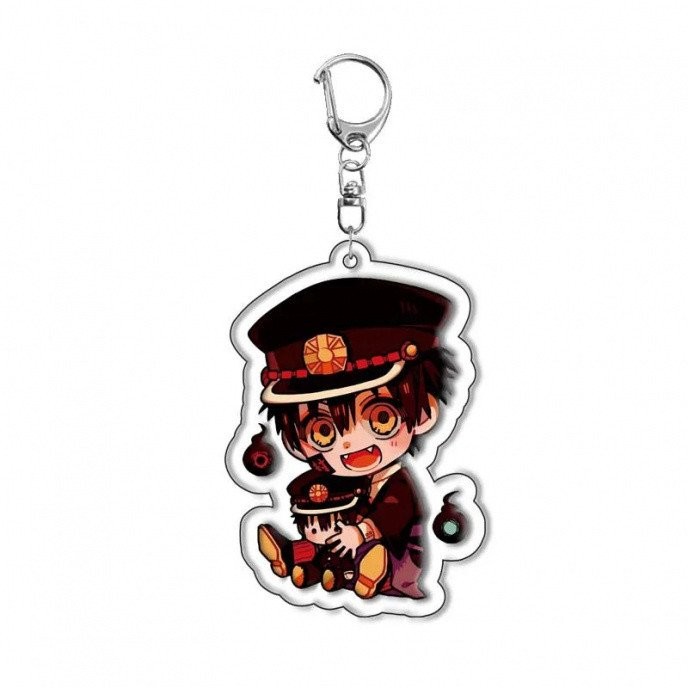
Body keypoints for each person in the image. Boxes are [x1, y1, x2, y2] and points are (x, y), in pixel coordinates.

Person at [249, 278, 455, 598]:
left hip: (393, 555)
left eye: (381, 419)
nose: (349, 443)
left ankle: (371, 575)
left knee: (372, 556)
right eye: (324, 431)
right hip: (341, 552)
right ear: (299, 444)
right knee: (318, 551)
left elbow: (395, 515)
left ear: (424, 414)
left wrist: (362, 532)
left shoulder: (398, 484)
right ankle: (295, 560)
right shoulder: (334, 480)